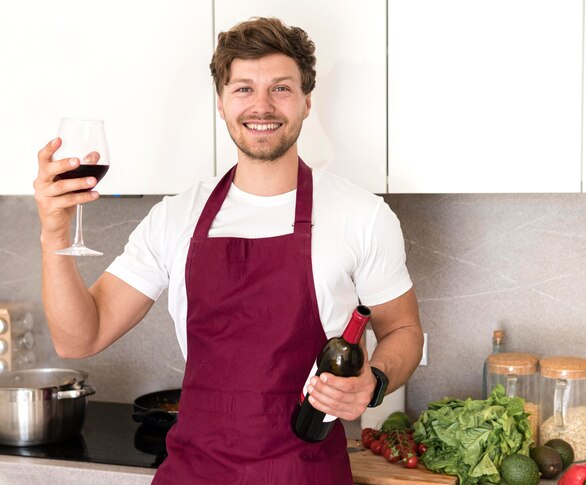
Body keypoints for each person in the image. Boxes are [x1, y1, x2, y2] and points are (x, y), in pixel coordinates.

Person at [33, 17, 423, 485]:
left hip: (304, 474)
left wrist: (373, 382)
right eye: (243, 89)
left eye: (281, 88)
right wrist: (55, 235)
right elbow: (80, 338)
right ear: (221, 103)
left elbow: (403, 329)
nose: (261, 105)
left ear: (306, 102)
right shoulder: (175, 218)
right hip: (194, 472)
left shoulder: (362, 215)